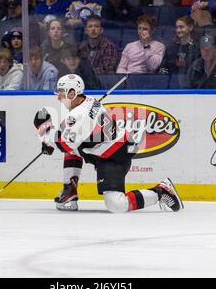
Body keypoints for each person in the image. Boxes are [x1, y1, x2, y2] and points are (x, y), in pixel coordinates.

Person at [32, 73, 184, 213]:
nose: (58, 97)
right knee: (74, 144)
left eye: (61, 92)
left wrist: (44, 131)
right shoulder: (88, 100)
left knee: (117, 205)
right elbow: (68, 135)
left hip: (114, 156)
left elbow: (64, 144)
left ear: (72, 93)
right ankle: (70, 190)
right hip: (104, 150)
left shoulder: (79, 114)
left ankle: (161, 191)